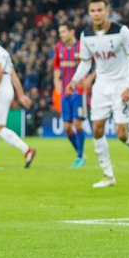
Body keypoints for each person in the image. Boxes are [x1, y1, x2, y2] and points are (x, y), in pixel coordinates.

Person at [67, 0, 129, 188]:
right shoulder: (86, 35)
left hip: (121, 85)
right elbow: (86, 62)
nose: (96, 14)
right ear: (89, 14)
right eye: (93, 11)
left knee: (121, 133)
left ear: (107, 11)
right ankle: (108, 174)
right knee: (97, 128)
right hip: (101, 86)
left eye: (100, 10)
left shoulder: (121, 31)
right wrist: (75, 80)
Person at [0, 26, 36, 168]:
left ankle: (27, 150)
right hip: (6, 90)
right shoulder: (3, 52)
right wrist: (20, 95)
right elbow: (13, 74)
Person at [53, 23, 94, 167]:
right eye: (60, 32)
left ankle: (80, 156)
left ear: (71, 32)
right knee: (67, 127)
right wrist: (56, 81)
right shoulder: (59, 48)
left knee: (77, 123)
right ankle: (81, 153)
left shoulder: (82, 47)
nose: (61, 34)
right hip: (65, 92)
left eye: (63, 31)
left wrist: (89, 79)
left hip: (79, 91)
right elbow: (57, 66)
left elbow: (96, 63)